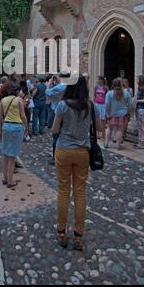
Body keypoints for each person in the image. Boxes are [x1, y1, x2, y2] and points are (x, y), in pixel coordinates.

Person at [52, 75, 101, 251]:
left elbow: (55, 129)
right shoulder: (90, 106)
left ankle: (61, 231)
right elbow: (100, 128)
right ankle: (79, 235)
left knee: (63, 191)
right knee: (80, 192)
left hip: (64, 150)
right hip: (82, 152)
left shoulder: (63, 105)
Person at [0, 83, 28, 188]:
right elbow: (23, 116)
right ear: (15, 91)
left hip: (6, 126)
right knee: (12, 155)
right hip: (17, 127)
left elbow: (0, 118)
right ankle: (10, 181)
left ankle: (5, 179)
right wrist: (27, 128)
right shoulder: (19, 100)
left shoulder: (3, 100)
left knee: (5, 154)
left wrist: (1, 130)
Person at [46, 72, 68, 165]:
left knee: (56, 134)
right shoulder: (69, 86)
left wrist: (49, 84)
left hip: (57, 112)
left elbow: (47, 92)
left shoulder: (60, 87)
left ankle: (56, 157)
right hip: (67, 112)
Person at [104, 78, 132, 150]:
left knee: (109, 128)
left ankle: (106, 143)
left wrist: (107, 113)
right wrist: (128, 113)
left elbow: (107, 104)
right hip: (122, 114)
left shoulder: (109, 93)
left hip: (111, 114)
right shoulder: (126, 93)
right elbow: (130, 104)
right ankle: (118, 145)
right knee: (120, 130)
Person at [135, 75, 144, 149]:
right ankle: (139, 142)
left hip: (142, 109)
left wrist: (136, 100)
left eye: (137, 79)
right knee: (139, 125)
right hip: (138, 108)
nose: (136, 80)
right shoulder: (139, 88)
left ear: (140, 80)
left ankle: (142, 143)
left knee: (142, 126)